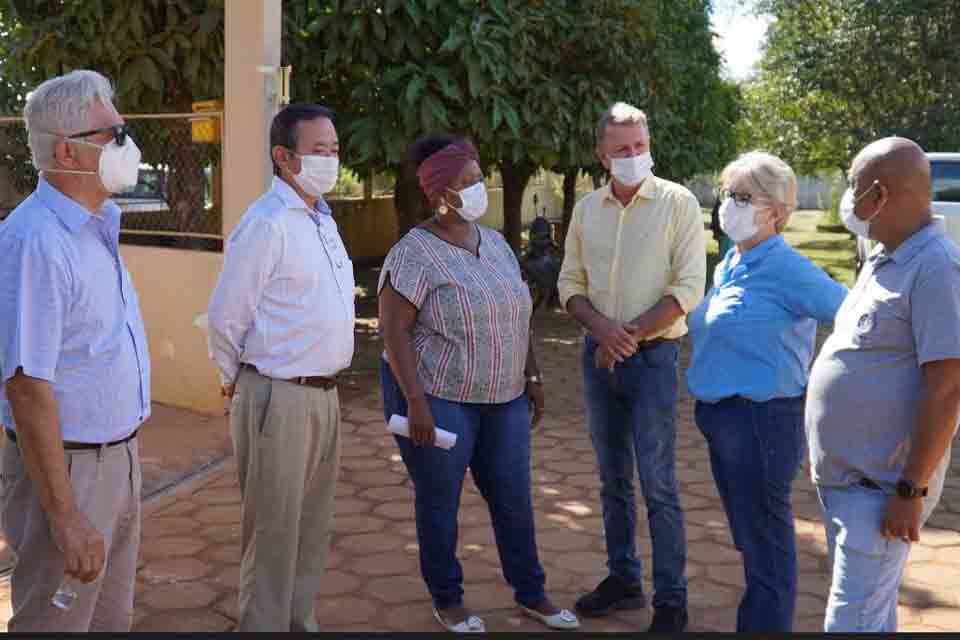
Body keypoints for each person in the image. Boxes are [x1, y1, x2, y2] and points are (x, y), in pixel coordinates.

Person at [378, 134, 579, 632]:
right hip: (442, 398)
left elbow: (518, 311)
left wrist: (530, 373)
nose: (477, 189)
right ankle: (447, 597)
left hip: (505, 396)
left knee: (513, 495)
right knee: (439, 499)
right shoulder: (414, 253)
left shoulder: (494, 242)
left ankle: (531, 592)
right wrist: (415, 402)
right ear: (437, 193)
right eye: (465, 183)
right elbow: (393, 332)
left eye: (477, 178)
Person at [0, 70, 151, 632]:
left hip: (118, 461)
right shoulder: (35, 240)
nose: (126, 145)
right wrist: (64, 517)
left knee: (109, 619)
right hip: (69, 470)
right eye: (113, 134)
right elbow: (26, 385)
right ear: (66, 149)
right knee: (54, 623)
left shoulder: (94, 228)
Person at [558, 102, 706, 632]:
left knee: (658, 483)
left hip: (654, 360)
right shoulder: (586, 210)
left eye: (640, 146)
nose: (633, 156)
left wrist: (625, 337)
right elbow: (569, 285)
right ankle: (624, 578)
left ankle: (672, 599)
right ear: (602, 154)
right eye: (621, 149)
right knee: (611, 479)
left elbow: (689, 288)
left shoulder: (678, 203)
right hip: (598, 360)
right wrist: (602, 331)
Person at [206, 103, 355, 632]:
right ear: (283, 156)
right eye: (320, 151)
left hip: (324, 398)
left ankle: (299, 622)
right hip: (278, 396)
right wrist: (239, 382)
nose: (331, 160)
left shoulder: (322, 219)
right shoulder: (267, 224)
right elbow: (226, 318)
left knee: (311, 530)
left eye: (335, 150)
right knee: (272, 535)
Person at [686, 152, 847, 631]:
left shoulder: (788, 268)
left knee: (767, 543)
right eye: (725, 195)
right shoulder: (732, 260)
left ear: (775, 211)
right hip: (722, 419)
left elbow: (850, 315)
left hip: (763, 422)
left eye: (741, 197)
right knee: (751, 538)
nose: (727, 206)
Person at [806, 137, 960, 632]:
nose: (848, 197)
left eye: (852, 185)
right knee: (871, 614)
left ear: (879, 192)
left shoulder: (937, 267)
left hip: (883, 489)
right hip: (850, 484)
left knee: (849, 622)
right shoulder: (883, 256)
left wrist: (911, 489)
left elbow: (948, 388)